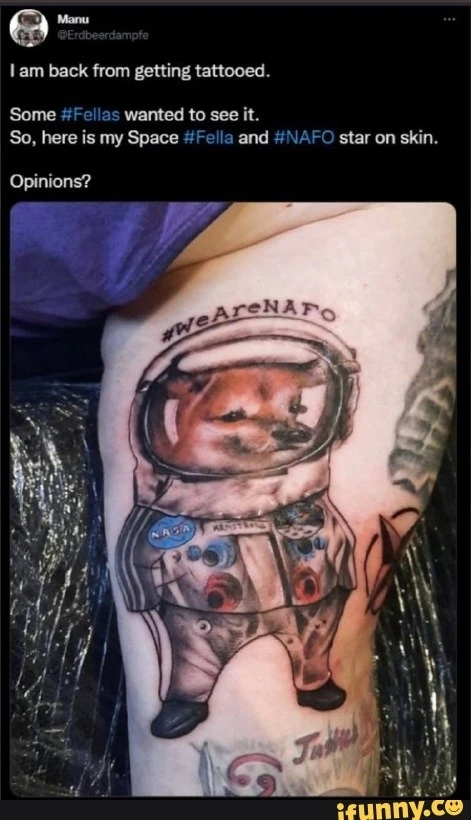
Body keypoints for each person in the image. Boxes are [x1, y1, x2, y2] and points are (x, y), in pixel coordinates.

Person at [11, 202, 456, 796]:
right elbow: (141, 559)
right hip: (196, 588)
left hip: (302, 575)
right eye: (236, 415)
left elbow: (342, 553)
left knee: (318, 630)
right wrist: (144, 592)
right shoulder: (169, 500)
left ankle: (311, 676)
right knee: (194, 645)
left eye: (295, 411)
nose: (279, 429)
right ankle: (188, 696)